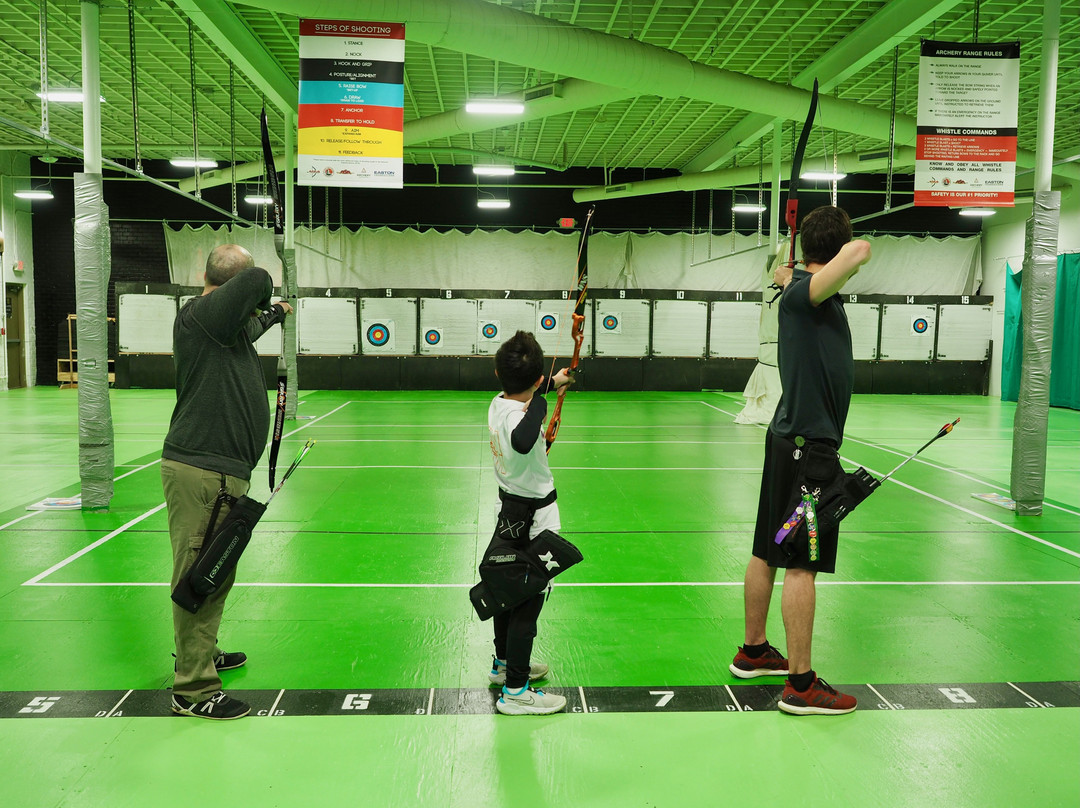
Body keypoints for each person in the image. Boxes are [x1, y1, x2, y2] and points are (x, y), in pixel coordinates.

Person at [730, 206, 871, 716]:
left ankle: (753, 652)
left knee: (768, 550)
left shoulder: (802, 292)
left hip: (788, 441)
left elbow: (838, 260)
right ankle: (802, 684)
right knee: (802, 564)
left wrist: (794, 271)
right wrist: (802, 273)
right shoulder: (805, 295)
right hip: (810, 451)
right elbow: (860, 250)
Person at [161, 243, 292, 720]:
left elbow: (251, 318)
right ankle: (193, 688)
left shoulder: (222, 328)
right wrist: (263, 292)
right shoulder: (202, 314)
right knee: (203, 574)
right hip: (203, 473)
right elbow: (256, 281)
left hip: (216, 472)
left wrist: (274, 313)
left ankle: (201, 653)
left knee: (214, 567)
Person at [484, 330, 574, 715]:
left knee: (507, 589)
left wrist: (552, 384)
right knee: (527, 600)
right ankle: (517, 692)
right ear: (535, 383)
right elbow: (523, 439)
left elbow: (524, 405)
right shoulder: (524, 412)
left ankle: (504, 666)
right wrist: (542, 395)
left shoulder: (497, 402)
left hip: (510, 513)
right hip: (536, 518)